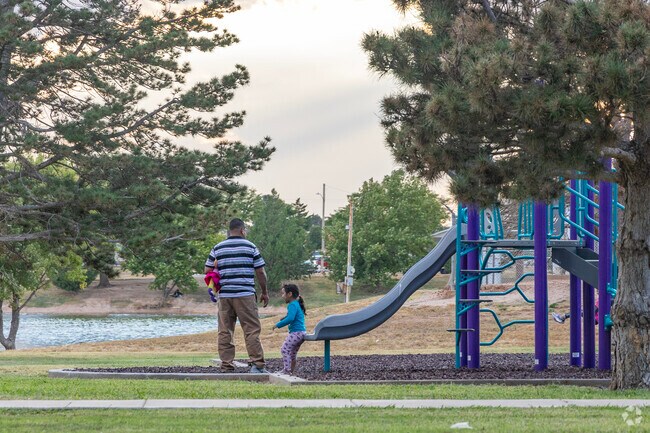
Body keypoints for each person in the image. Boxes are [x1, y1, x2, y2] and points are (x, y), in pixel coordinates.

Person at [204, 218, 270, 373]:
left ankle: (226, 365)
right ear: (242, 230)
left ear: (229, 230)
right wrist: (264, 292)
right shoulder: (251, 247)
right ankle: (257, 365)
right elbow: (260, 271)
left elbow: (207, 271)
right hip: (245, 294)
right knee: (251, 330)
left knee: (225, 330)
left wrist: (216, 285)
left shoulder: (217, 248)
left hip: (225, 295)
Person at [272, 284, 307, 375]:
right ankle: (291, 371)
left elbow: (290, 318)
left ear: (289, 294)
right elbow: (293, 316)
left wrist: (277, 325)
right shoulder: (296, 304)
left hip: (296, 333)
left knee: (284, 349)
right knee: (292, 353)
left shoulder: (292, 305)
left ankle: (287, 371)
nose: (282, 296)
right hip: (302, 333)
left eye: (283, 293)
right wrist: (284, 317)